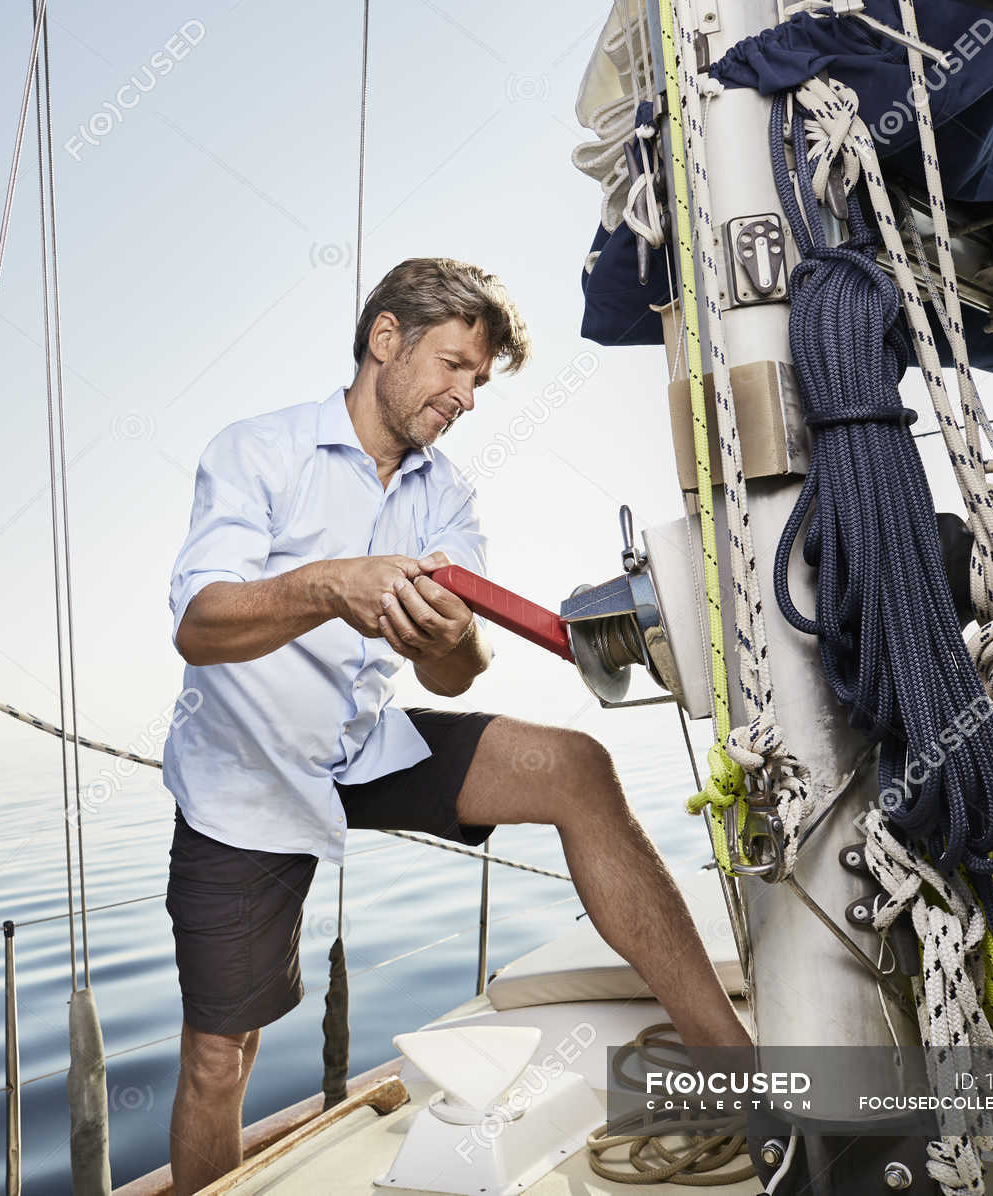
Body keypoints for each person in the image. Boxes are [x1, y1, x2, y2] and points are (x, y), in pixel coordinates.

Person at [160, 257, 749, 1193]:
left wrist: (448, 639)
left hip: (363, 744)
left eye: (477, 379)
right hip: (247, 775)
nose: (467, 396)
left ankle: (733, 1065)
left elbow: (458, 666)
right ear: (385, 340)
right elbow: (200, 626)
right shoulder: (258, 452)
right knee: (219, 1055)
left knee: (576, 766)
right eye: (453, 367)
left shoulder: (447, 492)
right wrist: (329, 584)